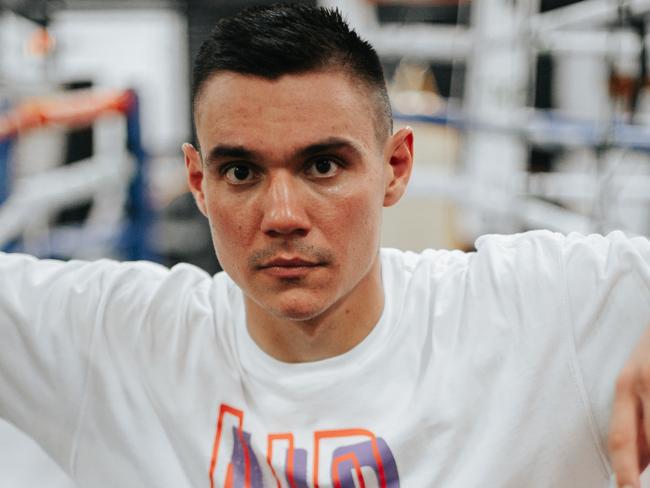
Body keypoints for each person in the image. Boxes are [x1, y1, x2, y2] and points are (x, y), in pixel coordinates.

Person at [0, 4, 649, 487]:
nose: (283, 215)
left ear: (394, 167)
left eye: (322, 167)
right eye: (241, 172)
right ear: (198, 182)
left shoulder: (539, 315)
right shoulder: (120, 341)